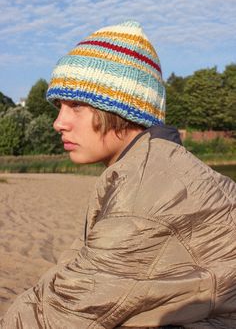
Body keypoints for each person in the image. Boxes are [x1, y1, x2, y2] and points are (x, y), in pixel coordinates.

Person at [1, 20, 236, 329]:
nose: (58, 122)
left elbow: (53, 318)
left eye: (75, 105)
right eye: (59, 106)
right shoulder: (154, 164)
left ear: (121, 109)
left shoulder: (144, 199)